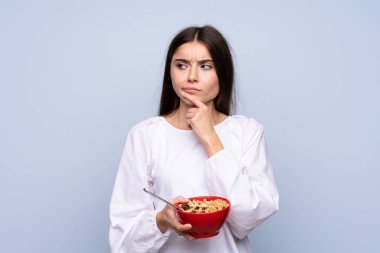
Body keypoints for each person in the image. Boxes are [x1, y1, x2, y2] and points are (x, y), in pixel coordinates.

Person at [109, 25, 279, 253]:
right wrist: (161, 220)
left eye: (206, 66)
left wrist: (210, 138)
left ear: (223, 73)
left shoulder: (247, 131)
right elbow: (122, 243)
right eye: (181, 65)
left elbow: (249, 217)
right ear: (170, 71)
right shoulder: (144, 135)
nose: (191, 77)